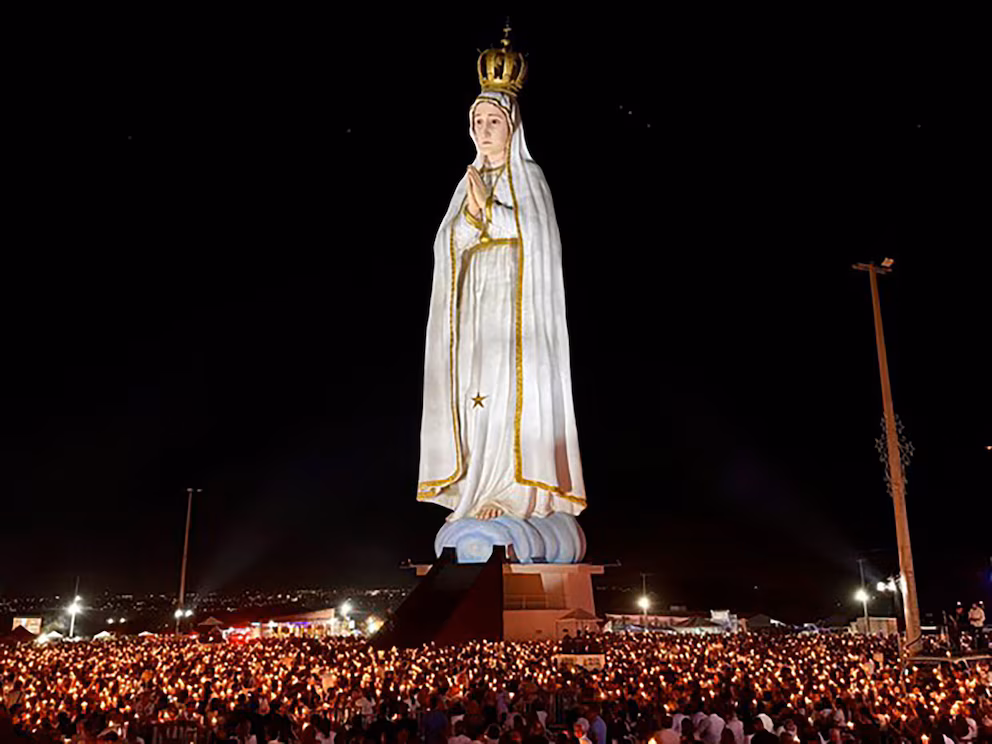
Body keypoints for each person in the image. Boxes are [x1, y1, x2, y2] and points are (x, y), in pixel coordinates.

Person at [417, 33, 586, 522]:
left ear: (512, 127)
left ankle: (514, 492)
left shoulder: (529, 177)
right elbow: (445, 245)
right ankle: (475, 486)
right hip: (476, 311)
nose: (485, 130)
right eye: (479, 122)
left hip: (516, 313)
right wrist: (470, 217)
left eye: (494, 121)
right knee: (476, 396)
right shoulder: (466, 181)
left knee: (510, 394)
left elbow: (538, 239)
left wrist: (487, 212)